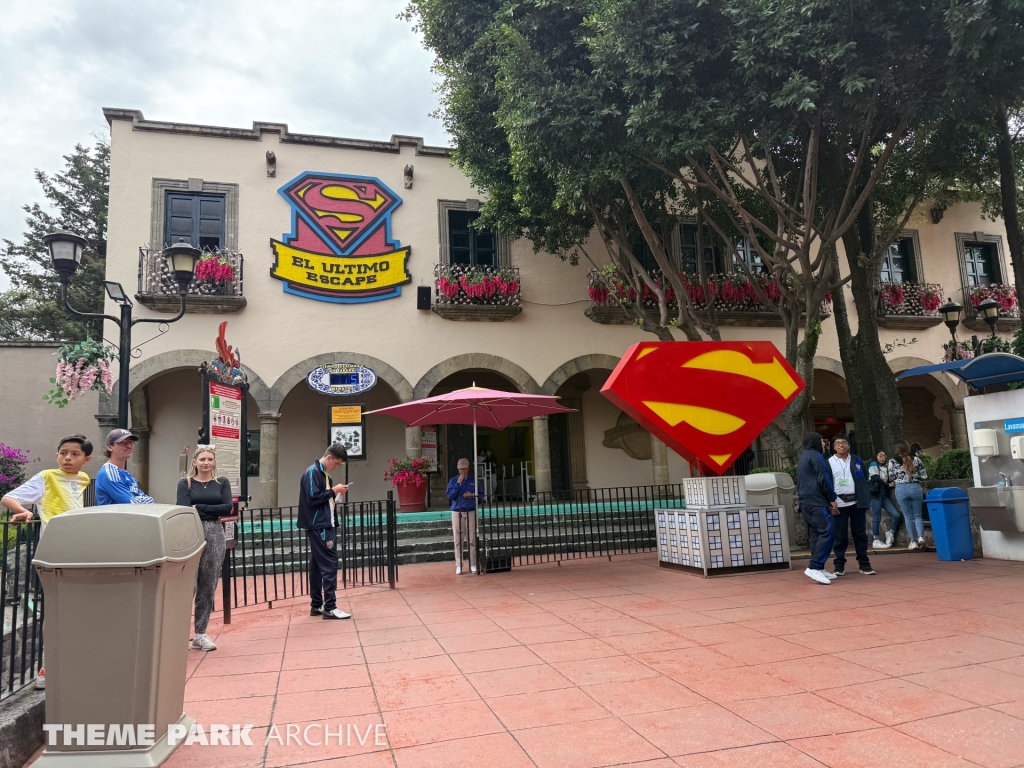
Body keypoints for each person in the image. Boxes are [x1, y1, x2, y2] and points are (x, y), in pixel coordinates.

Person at [1, 434, 94, 689]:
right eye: (63, 452)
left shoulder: (83, 479)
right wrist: (22, 511)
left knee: (76, 608)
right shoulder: (46, 477)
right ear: (57, 455)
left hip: (77, 553)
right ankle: (46, 665)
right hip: (53, 552)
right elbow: (8, 498)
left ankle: (73, 658)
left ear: (86, 459)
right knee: (53, 609)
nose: (67, 458)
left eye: (75, 454)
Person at [176, 446, 233, 651]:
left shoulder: (222, 482)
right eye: (202, 459)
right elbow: (183, 508)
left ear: (214, 462)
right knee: (187, 585)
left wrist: (199, 508)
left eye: (210, 459)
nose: (206, 463)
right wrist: (207, 510)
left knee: (208, 584)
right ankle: (178, 632)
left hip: (215, 532)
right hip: (191, 531)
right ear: (195, 462)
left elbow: (227, 508)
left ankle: (200, 633)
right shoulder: (186, 483)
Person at [298, 444, 351, 620]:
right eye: (336, 464)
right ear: (329, 458)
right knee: (329, 564)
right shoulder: (314, 472)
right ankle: (330, 607)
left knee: (317, 566)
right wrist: (333, 490)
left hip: (321, 523)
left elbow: (320, 497)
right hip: (319, 525)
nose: (336, 467)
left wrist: (334, 492)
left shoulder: (320, 472)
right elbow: (313, 498)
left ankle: (317, 605)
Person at [827, 435, 876, 576]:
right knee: (840, 536)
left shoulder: (857, 460)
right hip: (839, 503)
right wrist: (831, 502)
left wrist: (865, 497)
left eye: (843, 443)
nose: (841, 445)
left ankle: (864, 564)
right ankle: (839, 565)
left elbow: (864, 479)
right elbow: (826, 483)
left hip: (856, 503)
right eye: (837, 443)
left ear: (848, 445)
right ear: (834, 447)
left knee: (860, 534)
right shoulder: (829, 462)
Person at [796, 432, 839, 585]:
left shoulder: (804, 457)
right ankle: (814, 567)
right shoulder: (815, 456)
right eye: (822, 441)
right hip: (816, 501)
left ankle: (819, 568)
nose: (824, 444)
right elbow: (824, 478)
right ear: (815, 442)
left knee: (817, 535)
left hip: (806, 501)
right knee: (827, 531)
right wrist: (832, 498)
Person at [95, 429, 153, 504]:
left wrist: (147, 500)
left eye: (131, 442)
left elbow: (146, 500)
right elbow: (131, 502)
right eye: (123, 442)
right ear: (110, 447)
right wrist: (147, 500)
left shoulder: (127, 474)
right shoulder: (109, 473)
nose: (129, 446)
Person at [890, 439, 929, 550]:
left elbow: (891, 477)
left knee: (908, 517)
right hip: (915, 487)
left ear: (897, 450)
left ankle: (913, 541)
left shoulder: (892, 461)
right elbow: (924, 475)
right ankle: (921, 537)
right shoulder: (916, 459)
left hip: (901, 489)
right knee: (918, 515)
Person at [446, 457, 477, 575]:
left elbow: (481, 496)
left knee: (472, 539)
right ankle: (459, 565)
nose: (462, 471)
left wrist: (472, 495)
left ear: (468, 468)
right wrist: (458, 483)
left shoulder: (473, 480)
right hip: (457, 512)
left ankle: (473, 563)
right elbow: (450, 495)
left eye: (464, 469)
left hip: (470, 511)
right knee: (458, 540)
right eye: (460, 469)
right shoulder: (453, 480)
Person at [868, 450, 902, 549]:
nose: (882, 457)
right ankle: (876, 539)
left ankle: (890, 533)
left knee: (896, 514)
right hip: (876, 495)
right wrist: (887, 484)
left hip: (884, 495)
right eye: (880, 455)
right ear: (876, 457)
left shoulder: (886, 467)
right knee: (877, 516)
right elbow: (875, 477)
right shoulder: (873, 464)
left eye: (884, 455)